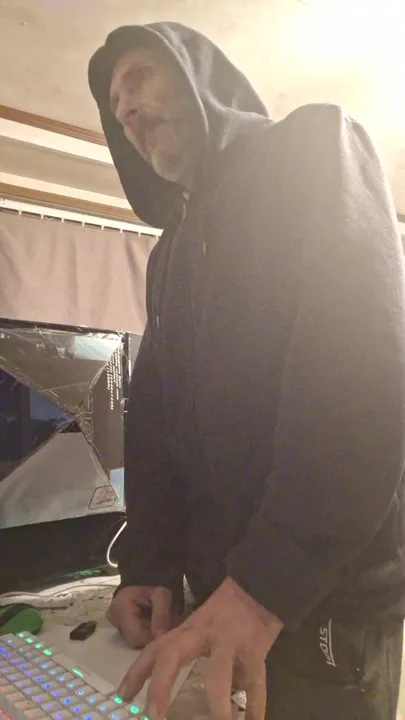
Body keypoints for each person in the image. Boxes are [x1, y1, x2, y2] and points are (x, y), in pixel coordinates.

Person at [88, 22, 405, 720]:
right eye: (114, 106)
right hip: (217, 597)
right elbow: (155, 419)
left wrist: (264, 586)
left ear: (199, 75)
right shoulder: (169, 252)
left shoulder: (314, 146)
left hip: (321, 598)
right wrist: (147, 563)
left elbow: (358, 373)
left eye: (139, 78)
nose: (128, 109)